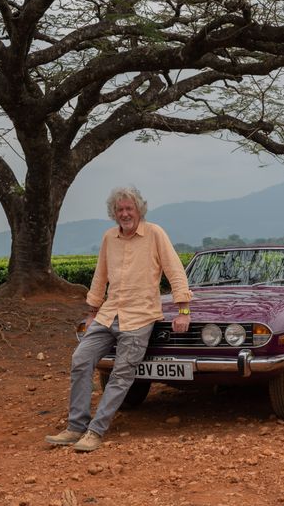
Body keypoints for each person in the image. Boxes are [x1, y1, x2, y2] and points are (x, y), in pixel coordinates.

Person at [46, 186, 192, 452]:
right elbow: (100, 276)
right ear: (114, 213)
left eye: (129, 209)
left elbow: (174, 269)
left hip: (140, 316)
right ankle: (76, 426)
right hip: (108, 314)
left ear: (139, 211)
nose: (125, 214)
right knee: (80, 360)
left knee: (121, 375)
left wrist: (183, 310)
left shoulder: (155, 233)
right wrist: (92, 313)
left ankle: (95, 431)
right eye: (120, 209)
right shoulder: (109, 238)